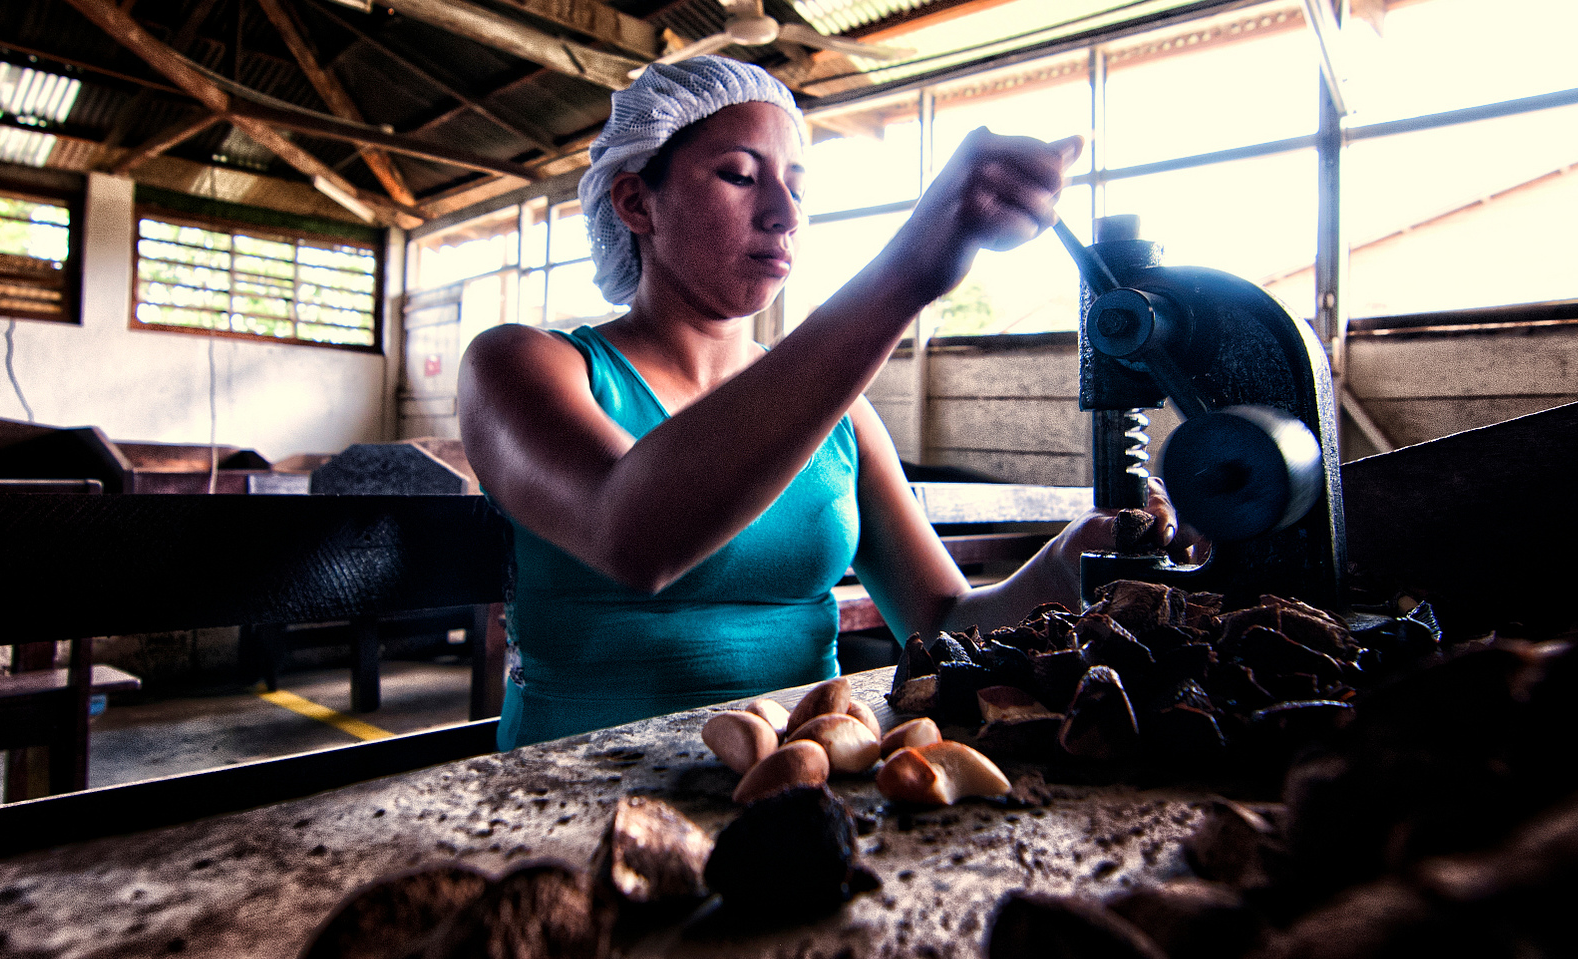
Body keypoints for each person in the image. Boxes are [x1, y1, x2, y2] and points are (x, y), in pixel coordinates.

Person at [459, 56, 1193, 749]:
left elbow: (940, 622)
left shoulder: (838, 415)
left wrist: (1068, 563)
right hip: (568, 797)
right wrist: (912, 266)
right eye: (740, 176)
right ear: (634, 200)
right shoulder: (523, 366)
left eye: (798, 187)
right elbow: (634, 533)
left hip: (805, 783)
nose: (783, 212)